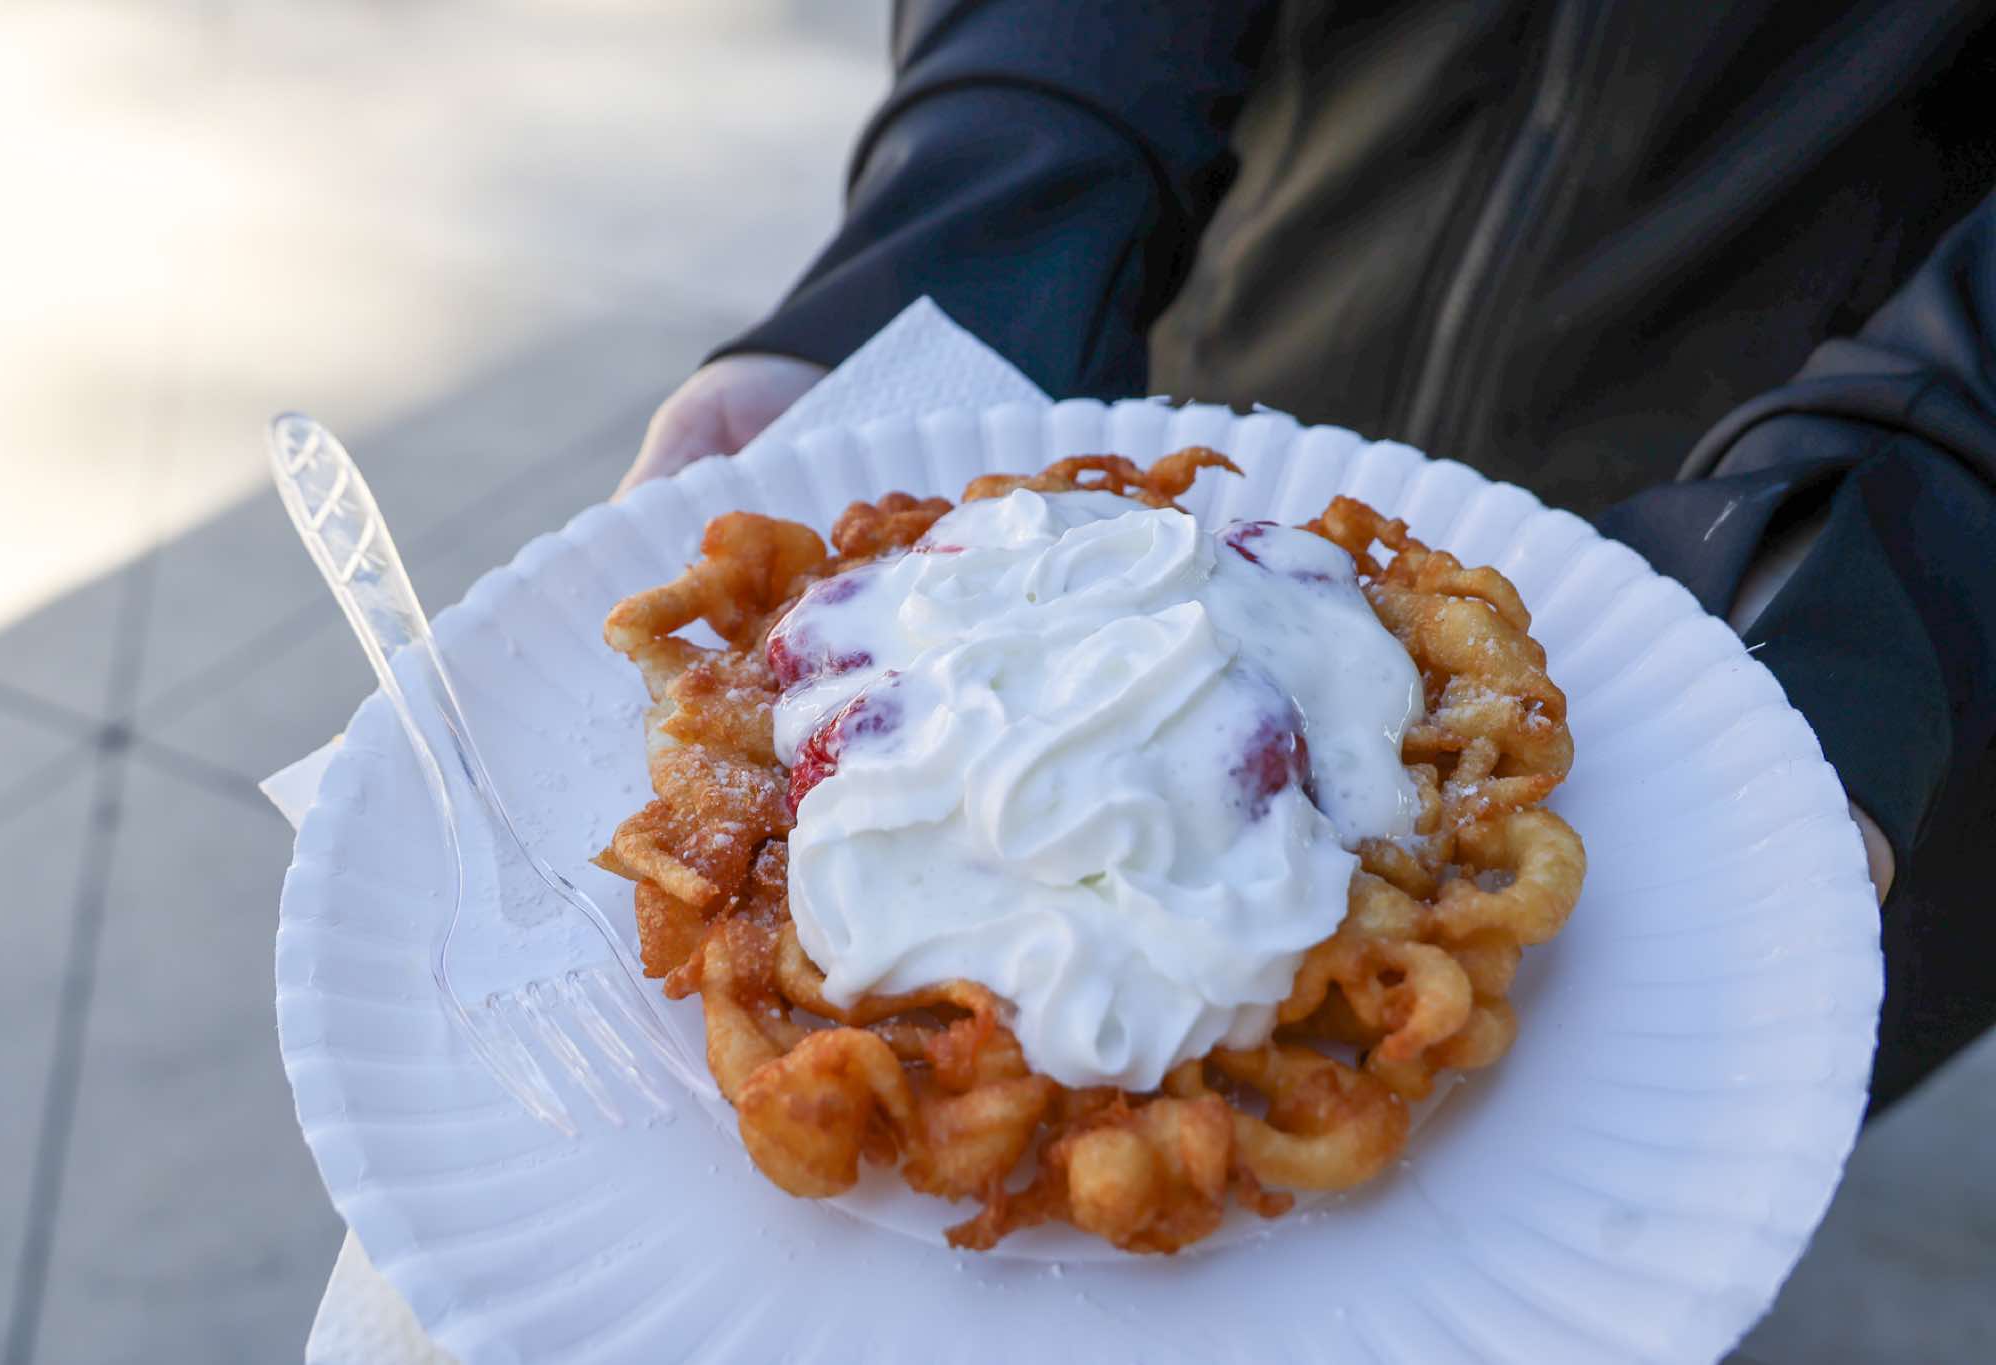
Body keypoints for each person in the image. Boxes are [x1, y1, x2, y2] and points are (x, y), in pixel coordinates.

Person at [620, 1, 1996, 1114]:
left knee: (1615, 1210)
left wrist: (1888, 527)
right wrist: (984, 240)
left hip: (1858, 561)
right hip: (1222, 447)